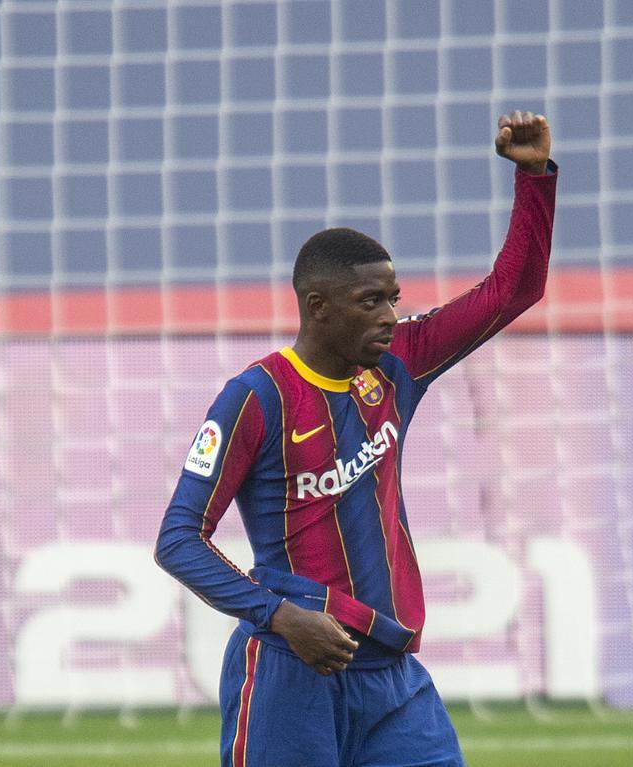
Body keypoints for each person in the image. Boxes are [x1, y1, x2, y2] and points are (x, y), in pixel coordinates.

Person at [155, 111, 555, 767]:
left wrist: (534, 177)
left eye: (394, 298)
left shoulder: (400, 363)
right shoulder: (256, 397)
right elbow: (178, 537)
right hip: (291, 669)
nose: (391, 315)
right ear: (320, 307)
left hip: (393, 679)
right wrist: (279, 615)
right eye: (372, 301)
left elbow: (514, 290)